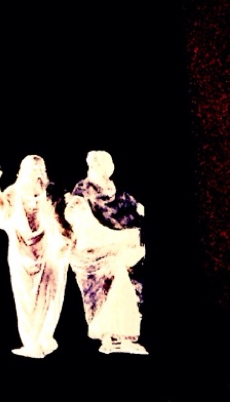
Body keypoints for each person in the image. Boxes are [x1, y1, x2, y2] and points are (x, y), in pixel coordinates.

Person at [0, 155, 72, 358]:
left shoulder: (50, 194)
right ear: (22, 171)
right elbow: (1, 218)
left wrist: (65, 239)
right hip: (22, 255)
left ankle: (44, 339)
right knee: (25, 300)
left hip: (47, 253)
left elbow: (63, 221)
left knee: (50, 296)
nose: (35, 173)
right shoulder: (13, 193)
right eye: (31, 169)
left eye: (38, 169)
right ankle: (30, 343)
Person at [66, 150, 147, 354]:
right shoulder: (82, 190)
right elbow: (80, 223)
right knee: (100, 291)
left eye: (99, 163)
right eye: (93, 164)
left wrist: (137, 209)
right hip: (90, 254)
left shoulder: (115, 192)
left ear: (108, 167)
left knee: (123, 284)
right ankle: (107, 337)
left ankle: (123, 337)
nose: (95, 167)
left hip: (115, 251)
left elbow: (128, 209)